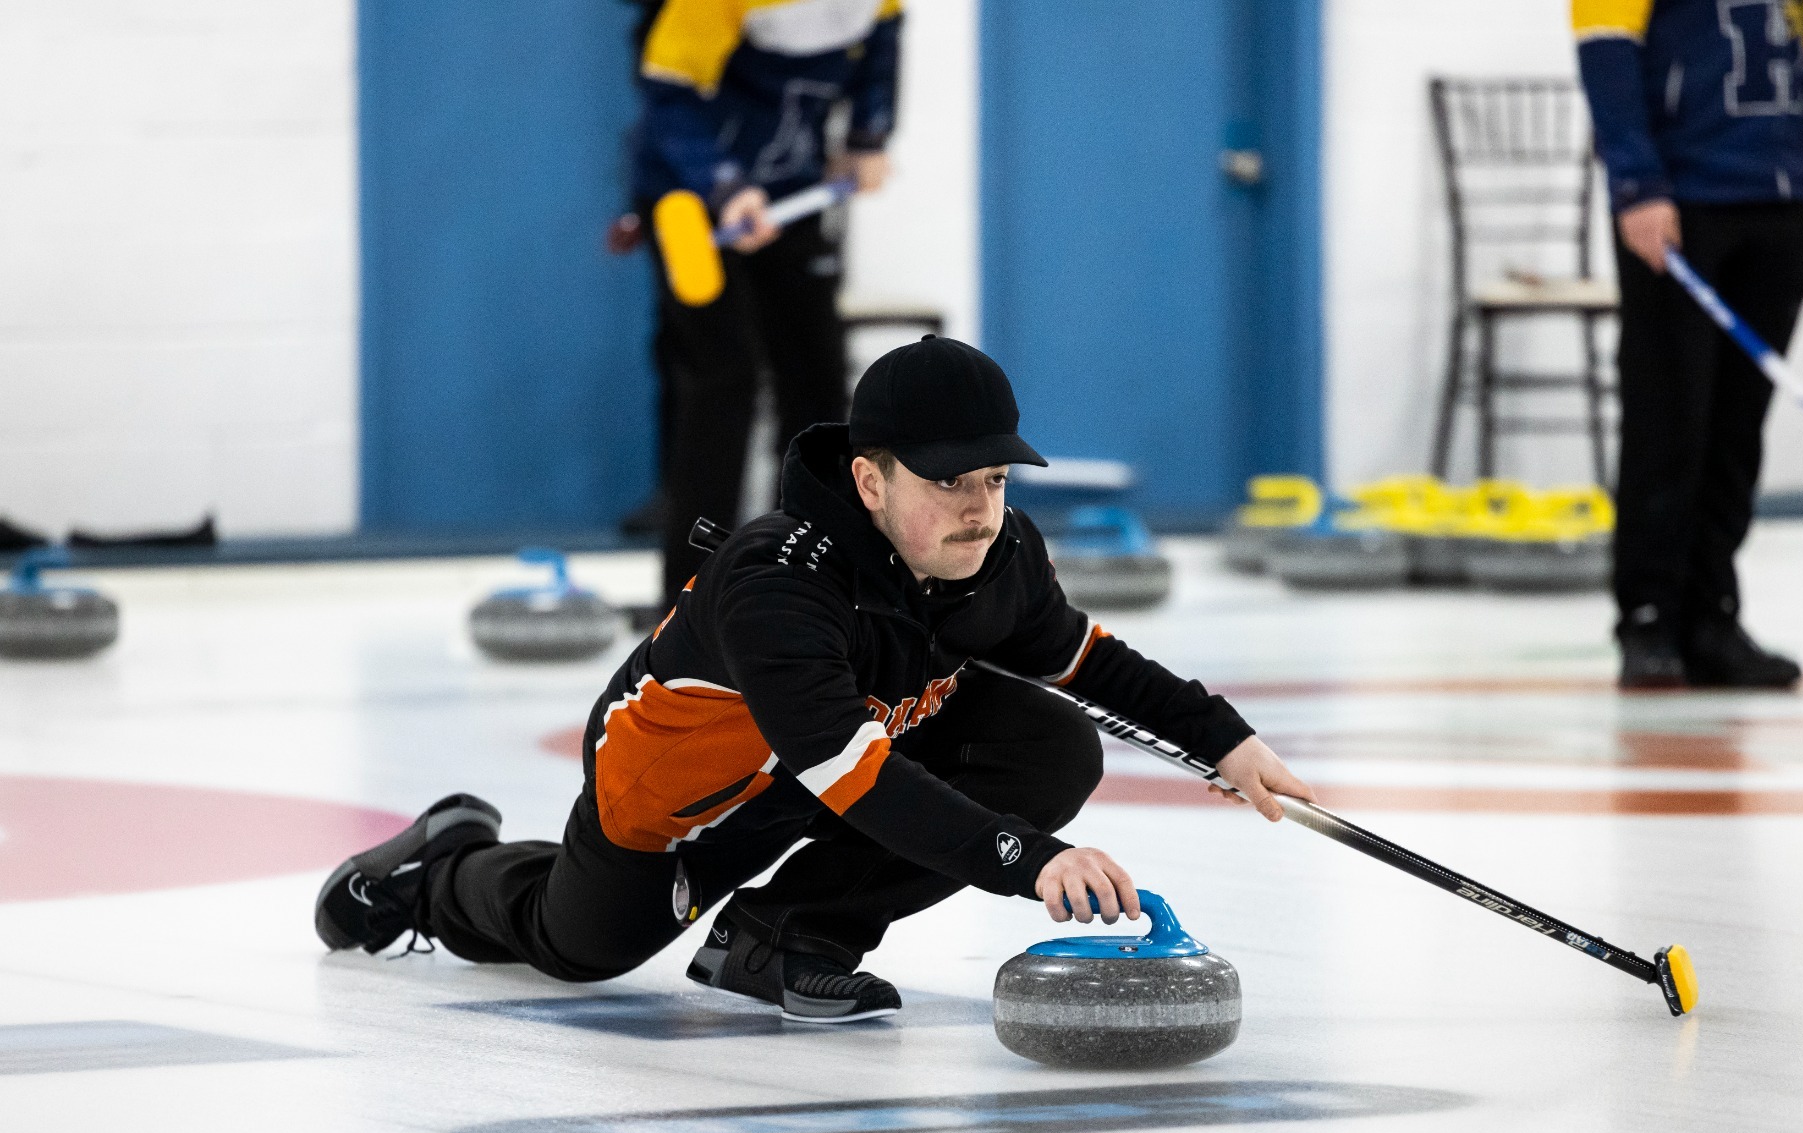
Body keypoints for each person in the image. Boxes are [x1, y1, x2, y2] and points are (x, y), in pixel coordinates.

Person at [316, 338, 1313, 1021]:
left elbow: (1082, 657)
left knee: (1048, 739)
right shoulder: (778, 580)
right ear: (869, 480)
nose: (978, 508)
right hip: (681, 801)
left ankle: (780, 939)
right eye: (948, 481)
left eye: (995, 479)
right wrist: (1027, 858)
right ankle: (441, 866)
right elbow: (846, 771)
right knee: (574, 947)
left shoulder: (993, 552)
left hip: (844, 750)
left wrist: (1221, 737)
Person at [1574, 0, 1803, 688]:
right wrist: (1637, 185)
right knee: (1668, 420)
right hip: (1681, 212)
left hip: (1778, 208)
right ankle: (1649, 619)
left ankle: (1712, 619)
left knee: (1736, 431)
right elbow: (1605, 54)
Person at [625, 0, 903, 602]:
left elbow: (882, 43)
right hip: (691, 203)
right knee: (723, 382)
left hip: (791, 195)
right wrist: (724, 185)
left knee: (819, 381)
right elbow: (669, 100)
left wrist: (868, 134)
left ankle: (810, 588)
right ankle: (690, 603)